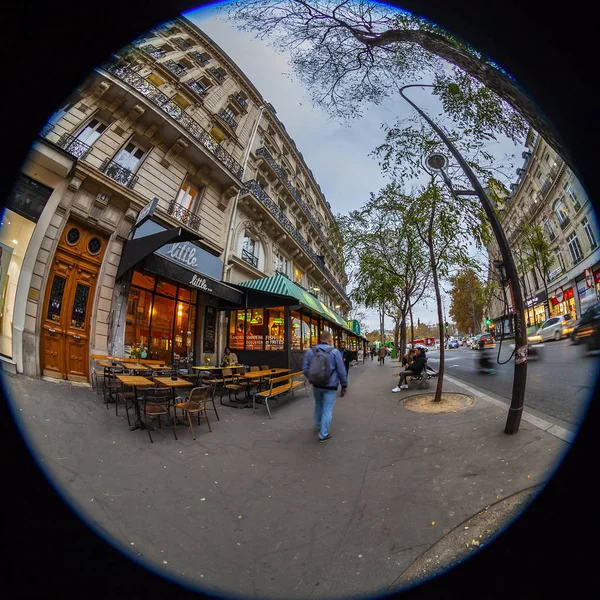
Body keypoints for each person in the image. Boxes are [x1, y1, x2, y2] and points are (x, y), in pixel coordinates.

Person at [302, 331, 348, 443]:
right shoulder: (335, 352)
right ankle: (323, 434)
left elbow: (305, 369)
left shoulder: (311, 351)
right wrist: (344, 385)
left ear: (320, 338)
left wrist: (312, 377)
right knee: (327, 409)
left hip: (316, 385)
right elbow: (341, 371)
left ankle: (318, 425)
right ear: (330, 339)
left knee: (318, 404)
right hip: (330, 385)